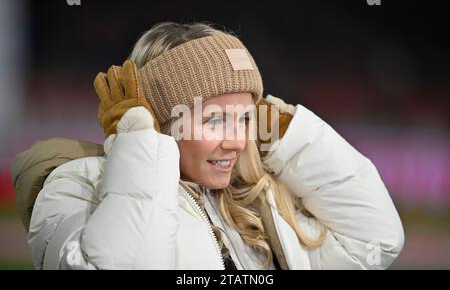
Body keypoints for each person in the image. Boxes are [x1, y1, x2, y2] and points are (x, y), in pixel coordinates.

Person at [12, 22, 404, 270]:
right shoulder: (79, 187)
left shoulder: (257, 203)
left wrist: (290, 134)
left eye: (246, 118)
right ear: (157, 119)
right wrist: (138, 141)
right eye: (214, 120)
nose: (236, 141)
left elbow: (373, 243)